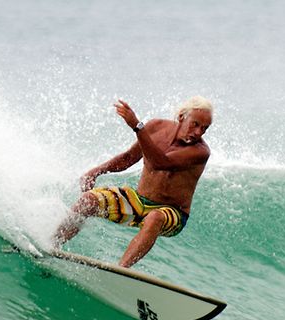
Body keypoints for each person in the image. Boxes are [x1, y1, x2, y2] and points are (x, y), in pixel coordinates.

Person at [53, 96, 213, 267]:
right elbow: (128, 158)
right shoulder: (154, 128)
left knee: (155, 217)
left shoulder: (200, 152)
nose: (198, 132)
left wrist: (137, 127)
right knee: (89, 200)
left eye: (204, 128)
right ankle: (51, 246)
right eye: (195, 124)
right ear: (182, 116)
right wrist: (95, 171)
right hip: (138, 202)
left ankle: (121, 271)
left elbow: (162, 163)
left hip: (173, 213)